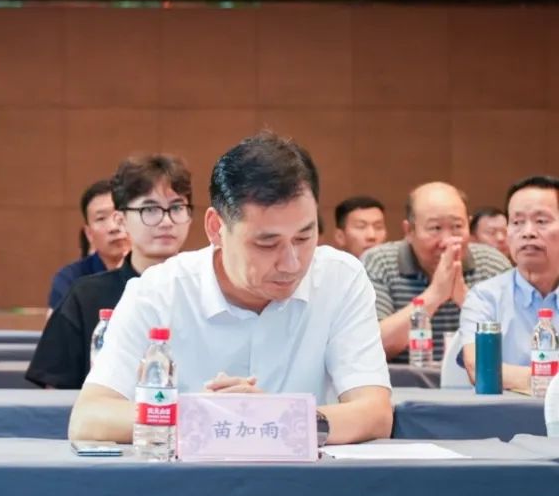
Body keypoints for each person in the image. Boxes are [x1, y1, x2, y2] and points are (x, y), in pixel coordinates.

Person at [68, 132, 392, 446]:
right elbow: (90, 417)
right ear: (216, 229)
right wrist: (202, 415)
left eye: (304, 237)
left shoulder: (340, 278)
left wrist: (277, 418)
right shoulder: (158, 291)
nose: (291, 263)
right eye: (267, 243)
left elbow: (375, 413)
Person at [27, 154, 193, 389]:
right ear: (121, 220)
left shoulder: (209, 292)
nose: (166, 221)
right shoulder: (84, 297)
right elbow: (54, 392)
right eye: (150, 209)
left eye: (176, 207)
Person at [362, 183, 511, 363]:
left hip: (473, 379)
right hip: (404, 380)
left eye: (457, 226)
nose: (447, 240)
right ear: (409, 231)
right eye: (435, 228)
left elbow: (516, 345)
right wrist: (435, 295)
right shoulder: (379, 263)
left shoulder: (492, 264)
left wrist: (467, 301)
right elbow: (367, 349)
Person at [460, 177, 559, 390]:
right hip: (507, 411)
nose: (528, 232)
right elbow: (479, 367)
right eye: (517, 222)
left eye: (541, 221)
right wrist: (548, 382)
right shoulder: (485, 297)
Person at [45, 180, 131, 314]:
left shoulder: (159, 271)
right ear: (89, 234)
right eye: (101, 218)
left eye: (119, 215)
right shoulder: (71, 278)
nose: (114, 227)